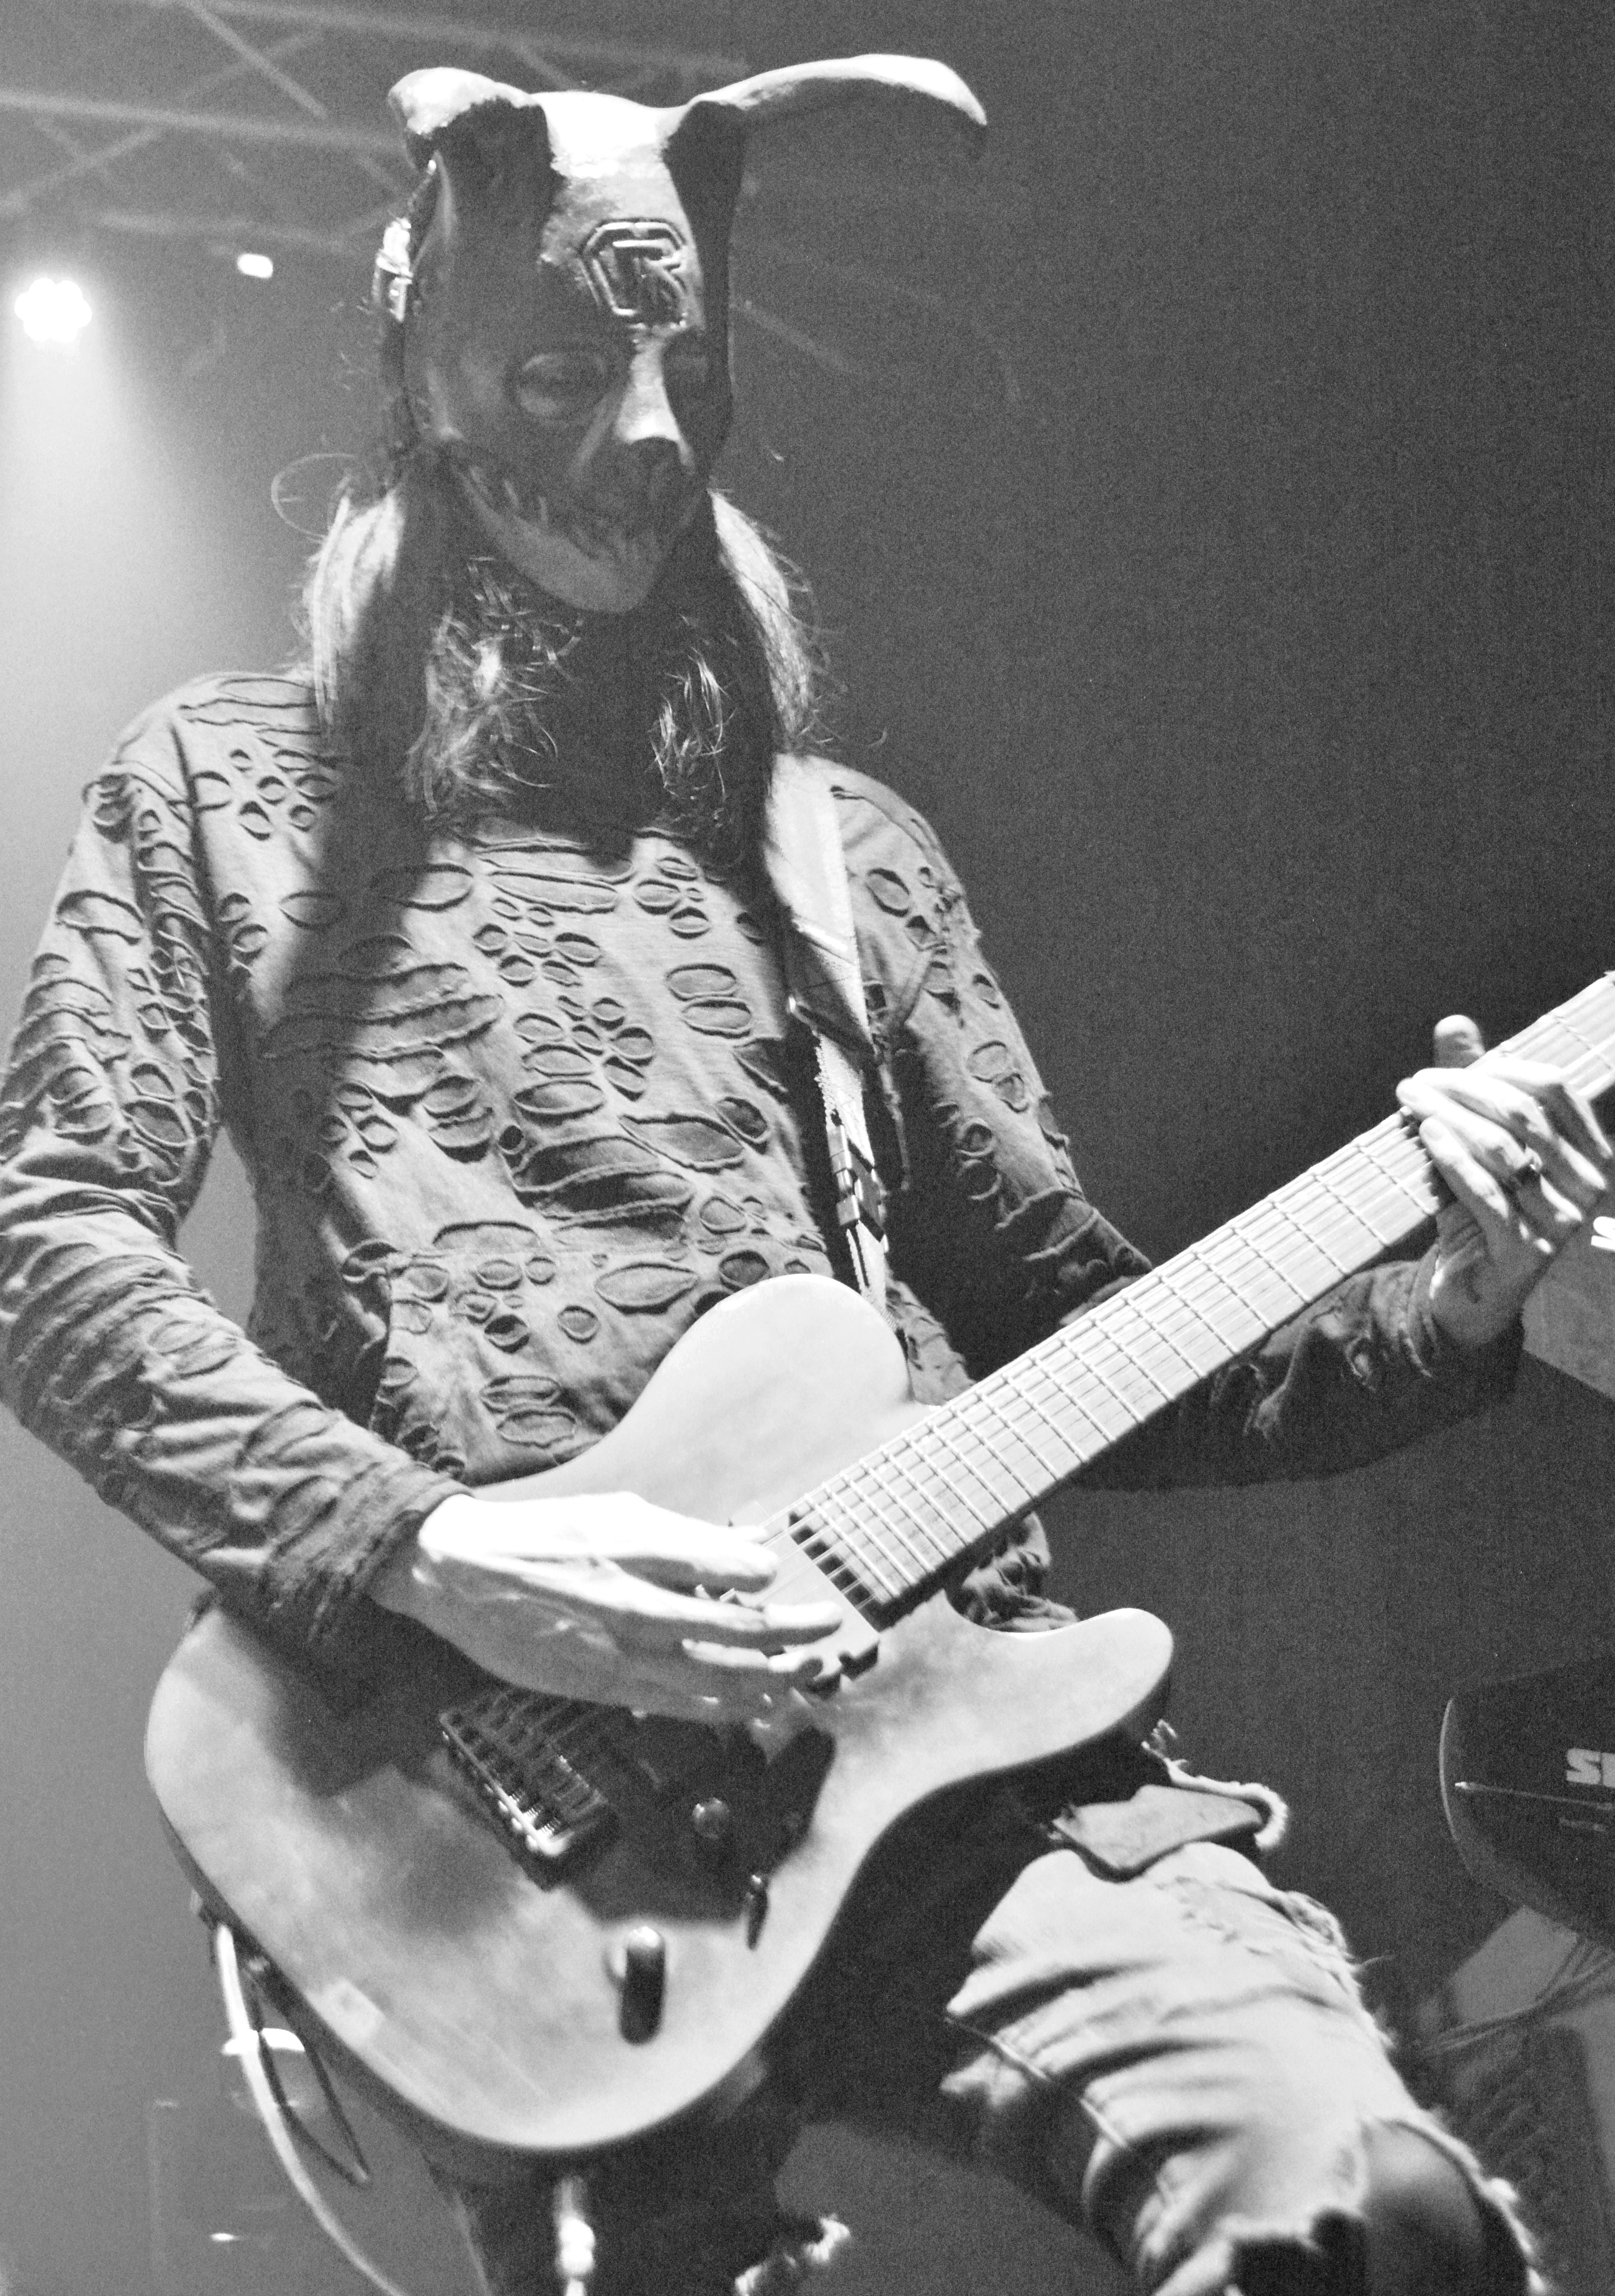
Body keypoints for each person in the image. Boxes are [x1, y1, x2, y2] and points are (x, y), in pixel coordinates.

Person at [0, 51, 1605, 2296]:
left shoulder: (844, 856)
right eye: (564, 373)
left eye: (685, 377)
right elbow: (47, 1242)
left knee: (1366, 2209)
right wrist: (429, 1549)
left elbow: (1087, 1340)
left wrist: (1450, 1297)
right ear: (427, 375)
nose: (646, 440)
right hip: (497, 1827)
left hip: (958, 1760)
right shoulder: (225, 787)